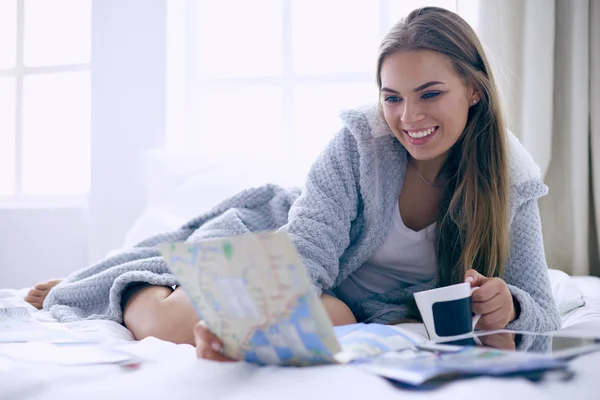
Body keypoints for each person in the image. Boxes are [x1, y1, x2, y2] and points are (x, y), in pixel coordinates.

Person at [28, 6, 560, 362]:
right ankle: (132, 288)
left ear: (472, 90)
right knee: (174, 323)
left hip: (350, 309)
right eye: (392, 97)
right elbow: (305, 256)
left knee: (334, 324)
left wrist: (508, 307)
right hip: (284, 249)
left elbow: (539, 308)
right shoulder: (360, 145)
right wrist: (253, 321)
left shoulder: (510, 180)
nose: (408, 116)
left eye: (429, 93)